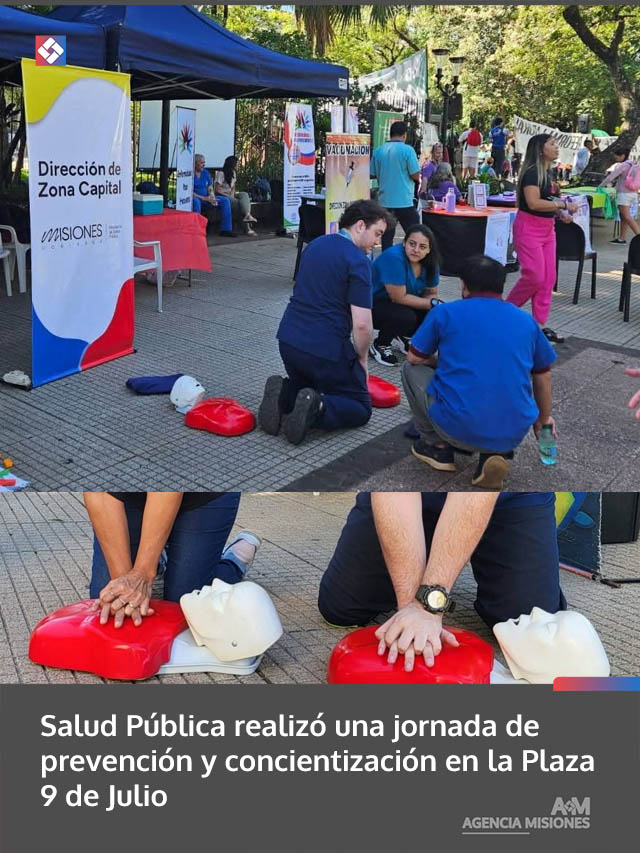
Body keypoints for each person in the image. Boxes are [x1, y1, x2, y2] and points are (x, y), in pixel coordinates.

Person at [318, 492, 566, 671]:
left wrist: (428, 605)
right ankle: (433, 546)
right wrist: (411, 609)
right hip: (415, 493)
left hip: (507, 495)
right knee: (341, 608)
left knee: (529, 623)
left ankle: (464, 549)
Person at [401, 255, 557, 489]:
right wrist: (543, 420)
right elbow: (542, 374)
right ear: (502, 286)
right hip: (514, 431)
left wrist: (444, 364)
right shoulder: (526, 322)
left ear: (464, 285)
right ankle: (494, 454)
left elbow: (415, 357)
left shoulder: (446, 313)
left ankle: (437, 448)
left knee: (409, 369)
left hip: (457, 427)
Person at [258, 199, 391, 445]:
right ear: (360, 226)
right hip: (325, 350)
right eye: (377, 233)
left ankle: (285, 394)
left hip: (288, 341)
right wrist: (360, 359)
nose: (377, 242)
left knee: (307, 386)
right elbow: (362, 325)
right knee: (360, 406)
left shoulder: (315, 245)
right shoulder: (359, 261)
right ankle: (318, 410)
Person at [85, 492, 260, 627]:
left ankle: (235, 560)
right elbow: (99, 493)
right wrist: (125, 585)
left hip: (202, 497)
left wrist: (143, 572)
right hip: (132, 497)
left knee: (185, 606)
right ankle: (158, 554)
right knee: (107, 599)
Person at [505, 133, 579, 344]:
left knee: (548, 279)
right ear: (540, 149)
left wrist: (559, 213)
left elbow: (546, 200)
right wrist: (562, 205)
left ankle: (539, 325)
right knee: (534, 276)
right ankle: (505, 311)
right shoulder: (531, 173)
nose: (557, 148)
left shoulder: (548, 173)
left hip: (547, 229)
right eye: (552, 144)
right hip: (529, 227)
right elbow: (534, 203)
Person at [369, 224, 441, 366]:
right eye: (412, 244)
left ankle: (406, 336)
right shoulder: (393, 258)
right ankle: (380, 345)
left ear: (429, 250)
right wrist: (433, 304)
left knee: (433, 312)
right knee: (406, 316)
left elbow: (431, 293)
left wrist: (434, 306)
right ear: (404, 243)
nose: (416, 250)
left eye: (422, 247)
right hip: (370, 304)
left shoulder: (431, 262)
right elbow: (398, 297)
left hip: (399, 304)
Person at [371, 121, 421, 251]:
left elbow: (372, 174)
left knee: (387, 237)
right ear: (404, 135)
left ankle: (387, 264)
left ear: (390, 134)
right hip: (404, 200)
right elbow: (415, 175)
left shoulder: (379, 151)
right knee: (416, 234)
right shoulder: (408, 150)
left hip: (385, 201)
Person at [599, 147, 639, 244]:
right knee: (623, 216)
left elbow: (611, 177)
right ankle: (622, 238)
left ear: (622, 156)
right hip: (632, 193)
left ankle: (638, 236)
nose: (616, 158)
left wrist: (600, 185)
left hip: (624, 194)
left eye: (617, 156)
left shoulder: (623, 165)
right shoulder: (633, 163)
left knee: (627, 217)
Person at [192, 153, 235, 237]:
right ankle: (197, 230)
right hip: (197, 197)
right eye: (201, 163)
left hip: (207, 198)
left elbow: (210, 187)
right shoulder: (190, 174)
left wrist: (212, 196)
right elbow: (188, 192)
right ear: (195, 163)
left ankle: (226, 229)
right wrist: (203, 198)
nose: (203, 165)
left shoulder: (205, 173)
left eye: (204, 162)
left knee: (225, 200)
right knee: (195, 202)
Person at [214, 155, 258, 236]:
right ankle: (247, 228)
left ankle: (248, 215)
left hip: (231, 194)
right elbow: (217, 190)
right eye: (237, 163)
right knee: (239, 204)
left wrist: (232, 195)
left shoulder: (233, 173)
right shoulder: (221, 173)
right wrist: (228, 196)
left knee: (244, 194)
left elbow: (233, 187)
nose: (238, 165)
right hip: (223, 196)